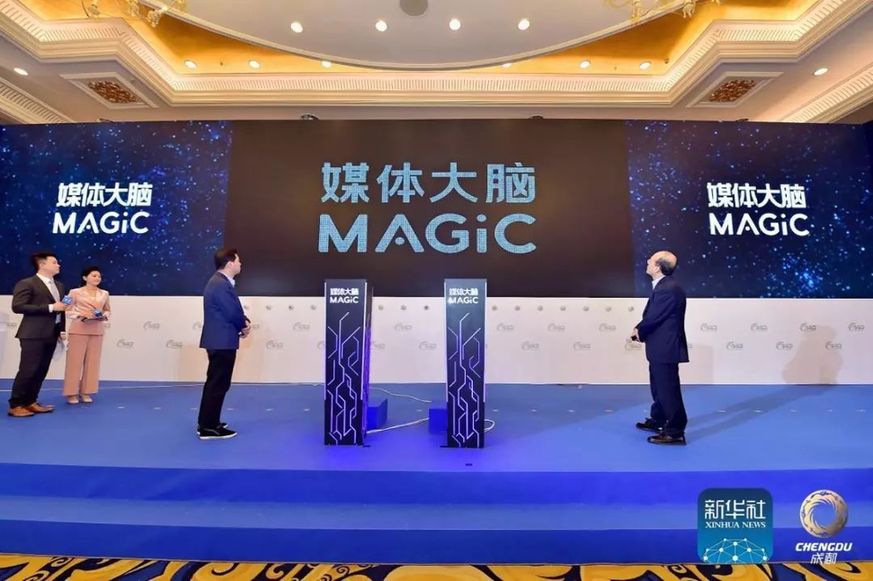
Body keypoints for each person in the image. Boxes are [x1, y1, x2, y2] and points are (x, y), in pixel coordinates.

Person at [632, 250, 689, 445]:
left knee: (667, 389)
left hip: (665, 347)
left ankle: (675, 431)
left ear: (657, 267)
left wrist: (639, 330)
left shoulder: (668, 288)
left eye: (651, 260)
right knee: (659, 386)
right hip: (660, 346)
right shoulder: (664, 286)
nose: (647, 261)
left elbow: (654, 317)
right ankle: (659, 419)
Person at [197, 248, 251, 440]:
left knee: (217, 383)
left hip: (221, 340)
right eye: (238, 260)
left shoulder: (220, 282)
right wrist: (244, 325)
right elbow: (232, 311)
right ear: (229, 263)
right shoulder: (220, 284)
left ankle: (209, 422)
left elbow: (231, 309)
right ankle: (208, 427)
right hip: (221, 341)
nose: (240, 263)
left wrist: (243, 321)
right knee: (217, 384)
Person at [8, 252, 69, 418]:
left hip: (52, 333)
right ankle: (16, 404)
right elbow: (18, 306)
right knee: (28, 370)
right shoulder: (27, 283)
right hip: (33, 334)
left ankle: (30, 401)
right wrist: (50, 307)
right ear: (42, 265)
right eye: (54, 262)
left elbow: (61, 309)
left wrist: (61, 329)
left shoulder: (59, 285)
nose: (58, 265)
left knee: (41, 370)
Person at [62, 266, 111, 404]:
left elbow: (107, 310)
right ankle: (71, 393)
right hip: (79, 329)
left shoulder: (105, 293)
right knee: (74, 362)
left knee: (92, 363)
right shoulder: (73, 292)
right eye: (94, 275)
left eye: (99, 276)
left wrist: (104, 316)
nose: (97, 278)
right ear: (85, 277)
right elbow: (65, 309)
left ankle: (86, 392)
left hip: (97, 330)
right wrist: (80, 315)